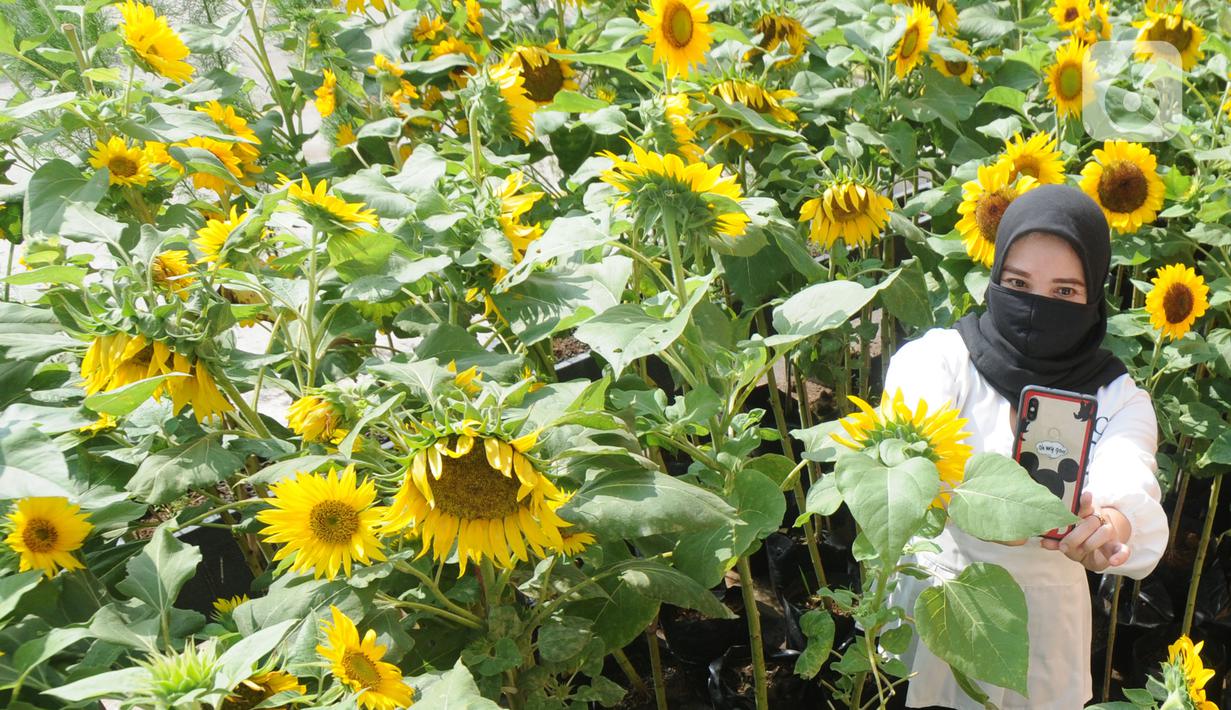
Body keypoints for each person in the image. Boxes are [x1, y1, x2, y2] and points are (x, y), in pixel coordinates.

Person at [880, 184, 1167, 708]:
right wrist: (990, 508)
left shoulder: (1115, 397)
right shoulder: (942, 360)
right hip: (939, 596)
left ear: (1094, 294)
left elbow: (1130, 474)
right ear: (994, 280)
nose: (1037, 306)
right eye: (1018, 282)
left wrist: (1110, 523)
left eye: (1064, 292)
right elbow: (907, 452)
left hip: (1047, 625)